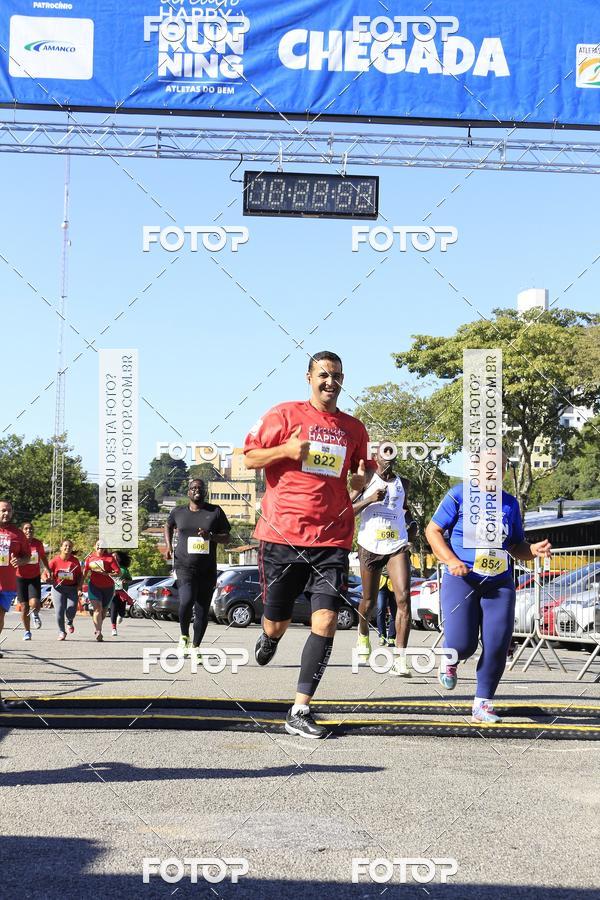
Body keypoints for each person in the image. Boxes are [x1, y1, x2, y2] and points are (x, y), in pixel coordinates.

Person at [244, 351, 373, 739]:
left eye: (336, 376)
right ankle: (270, 637)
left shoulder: (353, 428)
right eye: (323, 375)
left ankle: (300, 709)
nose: (330, 382)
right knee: (277, 620)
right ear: (309, 378)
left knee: (326, 620)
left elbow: (360, 475)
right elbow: (249, 458)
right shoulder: (283, 415)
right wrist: (284, 451)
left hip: (332, 538)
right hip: (282, 535)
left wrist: (361, 481)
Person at [425, 452, 552, 723]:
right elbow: (432, 531)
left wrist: (533, 550)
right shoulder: (458, 495)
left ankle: (482, 703)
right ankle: (450, 657)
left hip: (499, 582)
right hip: (463, 579)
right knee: (463, 645)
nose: (495, 473)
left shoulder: (510, 504)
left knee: (497, 644)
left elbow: (516, 545)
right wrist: (451, 560)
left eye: (501, 467)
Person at [352, 448, 417, 676]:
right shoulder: (367, 478)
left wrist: (412, 524)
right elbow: (348, 510)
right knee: (369, 602)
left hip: (396, 545)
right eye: (384, 451)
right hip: (370, 545)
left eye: (392, 452)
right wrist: (370, 499)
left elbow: (404, 510)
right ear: (376, 457)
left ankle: (400, 659)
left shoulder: (403, 483)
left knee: (404, 599)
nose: (388, 456)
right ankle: (363, 634)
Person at [165, 479, 231, 660]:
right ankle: (184, 637)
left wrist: (211, 536)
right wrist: (169, 546)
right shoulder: (178, 512)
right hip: (184, 567)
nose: (196, 490)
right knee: (186, 601)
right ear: (188, 492)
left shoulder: (215, 511)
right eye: (193, 488)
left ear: (205, 492)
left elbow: (227, 538)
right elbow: (168, 525)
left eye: (200, 488)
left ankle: (196, 647)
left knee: (202, 610)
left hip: (207, 569)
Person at [0, 500, 31, 658]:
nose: (7, 513)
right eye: (3, 510)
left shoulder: (18, 534)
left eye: (9, 511)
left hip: (7, 584)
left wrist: (19, 561)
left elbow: (27, 556)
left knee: (0, 615)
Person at [16, 522, 50, 640]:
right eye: (26, 529)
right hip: (20, 577)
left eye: (31, 529)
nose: (29, 531)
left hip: (34, 577)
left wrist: (47, 569)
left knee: (35, 603)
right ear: (22, 531)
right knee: (24, 607)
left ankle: (35, 614)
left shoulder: (37, 543)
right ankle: (27, 631)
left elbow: (43, 557)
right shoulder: (18, 543)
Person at [82, 540, 121, 642]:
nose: (100, 548)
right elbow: (85, 572)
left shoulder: (110, 558)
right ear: (95, 546)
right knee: (97, 608)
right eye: (98, 546)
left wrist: (108, 574)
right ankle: (98, 631)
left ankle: (98, 626)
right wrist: (79, 585)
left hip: (108, 588)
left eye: (103, 547)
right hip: (94, 586)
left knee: (103, 613)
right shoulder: (90, 558)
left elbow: (118, 572)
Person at [48, 539, 82, 640]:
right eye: (65, 546)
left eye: (70, 546)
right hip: (58, 588)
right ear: (61, 548)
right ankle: (62, 631)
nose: (67, 548)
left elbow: (80, 575)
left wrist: (79, 586)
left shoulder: (75, 561)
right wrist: (47, 578)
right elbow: (45, 573)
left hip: (72, 588)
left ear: (72, 549)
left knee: (71, 610)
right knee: (59, 611)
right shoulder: (54, 561)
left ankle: (69, 621)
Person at [110, 551, 133, 637]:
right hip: (113, 592)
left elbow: (130, 579)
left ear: (120, 559)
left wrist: (125, 581)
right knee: (113, 609)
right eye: (113, 556)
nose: (115, 558)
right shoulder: (109, 568)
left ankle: (121, 615)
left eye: (117, 557)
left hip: (122, 592)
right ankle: (114, 628)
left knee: (122, 610)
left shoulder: (124, 569)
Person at [376, 573, 397, 647]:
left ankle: (391, 637)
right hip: (381, 585)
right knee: (380, 608)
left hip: (394, 585)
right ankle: (382, 636)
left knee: (394, 612)